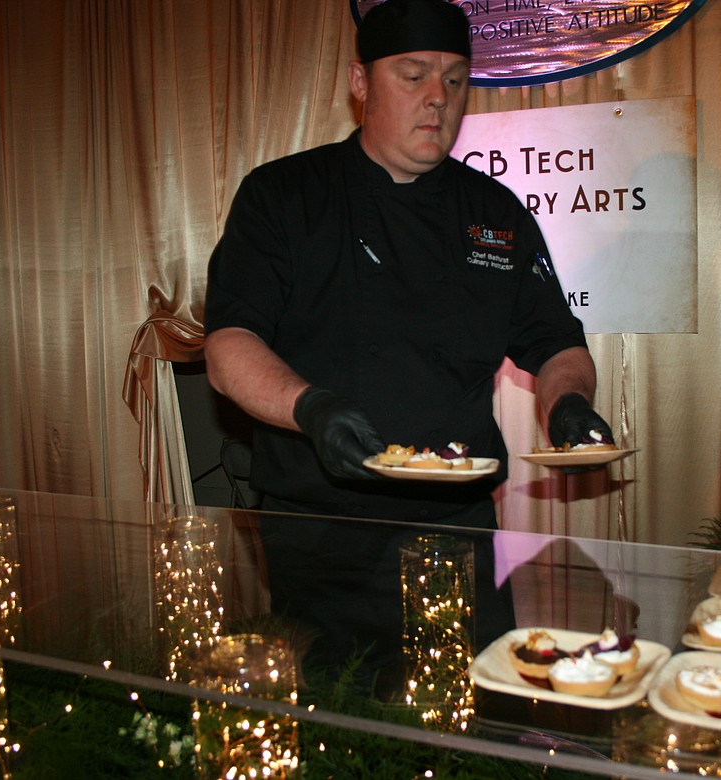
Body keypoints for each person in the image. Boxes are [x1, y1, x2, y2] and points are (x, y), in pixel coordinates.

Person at [203, 0, 614, 691]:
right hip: (320, 531)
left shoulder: (495, 213)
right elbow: (229, 345)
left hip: (457, 530)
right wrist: (312, 408)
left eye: (455, 80)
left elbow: (555, 343)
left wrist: (569, 402)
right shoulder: (283, 196)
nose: (437, 99)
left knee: (471, 720)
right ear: (359, 83)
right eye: (413, 75)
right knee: (337, 725)